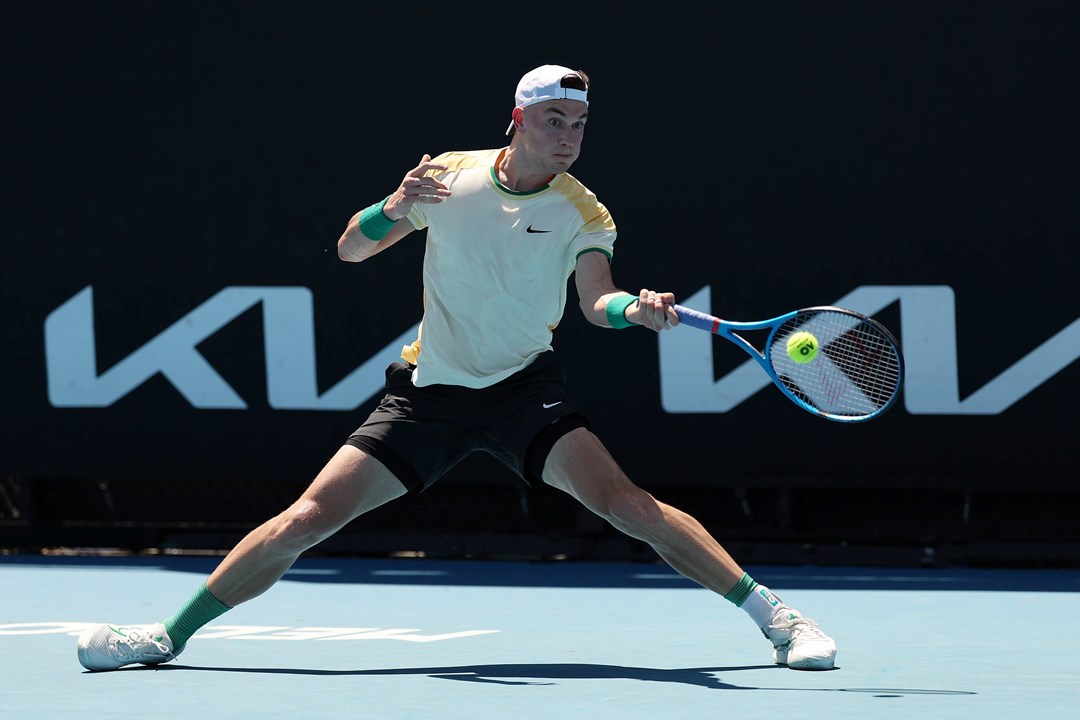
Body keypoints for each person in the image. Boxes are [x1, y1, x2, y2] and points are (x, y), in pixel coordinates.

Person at [76, 64, 837, 672]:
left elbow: (595, 300)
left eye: (578, 125)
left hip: (521, 392)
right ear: (518, 119)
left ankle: (778, 618)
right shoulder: (445, 176)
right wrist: (396, 203)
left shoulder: (585, 211)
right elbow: (351, 248)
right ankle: (165, 637)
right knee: (306, 520)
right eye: (553, 120)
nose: (568, 136)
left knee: (629, 506)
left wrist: (634, 311)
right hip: (427, 395)